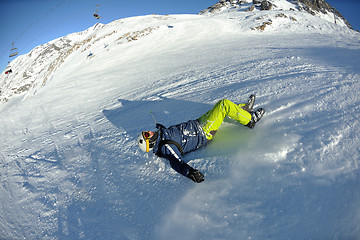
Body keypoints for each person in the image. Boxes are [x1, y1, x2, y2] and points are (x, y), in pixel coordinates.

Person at [137, 95, 265, 183]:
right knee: (223, 105)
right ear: (150, 143)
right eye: (147, 135)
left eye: (146, 132)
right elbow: (176, 162)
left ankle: (244, 110)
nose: (148, 132)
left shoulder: (162, 135)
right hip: (204, 131)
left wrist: (161, 128)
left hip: (199, 123)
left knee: (219, 109)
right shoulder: (166, 147)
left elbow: (171, 134)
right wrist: (189, 172)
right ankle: (250, 120)